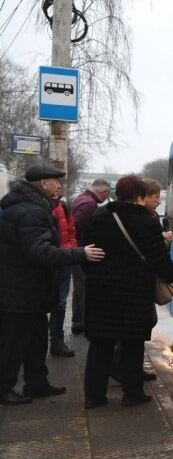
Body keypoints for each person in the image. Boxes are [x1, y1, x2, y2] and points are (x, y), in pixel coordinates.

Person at [0, 164, 105, 405]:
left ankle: (37, 383)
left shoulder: (27, 206)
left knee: (36, 340)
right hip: (20, 290)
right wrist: (79, 253)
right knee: (14, 342)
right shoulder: (32, 212)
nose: (59, 185)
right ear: (43, 183)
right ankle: (3, 388)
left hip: (27, 288)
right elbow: (39, 252)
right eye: (56, 181)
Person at [81, 175, 173, 409]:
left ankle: (94, 397)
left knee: (100, 344)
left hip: (101, 292)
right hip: (135, 293)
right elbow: (159, 259)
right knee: (133, 344)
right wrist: (169, 276)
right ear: (140, 196)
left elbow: (86, 253)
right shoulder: (146, 222)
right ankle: (132, 394)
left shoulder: (99, 217)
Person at [70, 178, 110, 334]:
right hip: (82, 251)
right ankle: (83, 323)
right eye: (107, 194)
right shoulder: (89, 204)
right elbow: (76, 226)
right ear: (103, 192)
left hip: (77, 251)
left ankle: (77, 321)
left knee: (79, 288)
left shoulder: (82, 198)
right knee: (84, 288)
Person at [49, 183, 78, 358]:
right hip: (45, 261)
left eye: (60, 187)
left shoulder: (64, 207)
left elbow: (72, 230)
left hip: (63, 261)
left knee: (60, 304)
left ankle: (57, 341)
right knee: (38, 303)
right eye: (55, 186)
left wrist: (70, 250)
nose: (58, 189)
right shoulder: (39, 206)